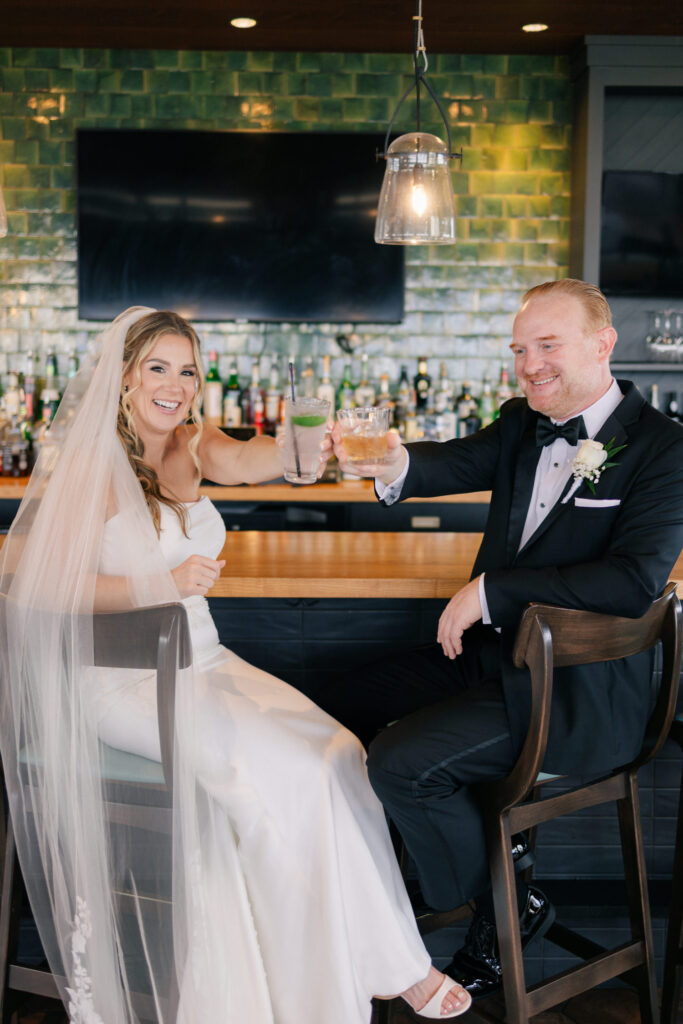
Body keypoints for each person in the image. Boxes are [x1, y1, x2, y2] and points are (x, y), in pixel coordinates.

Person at [0, 308, 471, 1024]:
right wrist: (155, 585)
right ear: (124, 377)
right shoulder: (90, 470)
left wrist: (303, 446)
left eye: (187, 370)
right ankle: (395, 971)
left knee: (340, 752)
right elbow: (28, 580)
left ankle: (352, 964)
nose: (176, 385)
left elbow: (259, 460)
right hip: (125, 685)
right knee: (281, 775)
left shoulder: (194, 444)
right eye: (157, 368)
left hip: (209, 664)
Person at [322, 278, 683, 998]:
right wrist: (390, 463)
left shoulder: (664, 448)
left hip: (575, 691)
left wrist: (493, 590)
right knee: (326, 705)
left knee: (400, 765)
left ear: (601, 343)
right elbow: (452, 462)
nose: (528, 365)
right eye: (520, 350)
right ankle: (435, 892)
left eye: (547, 346)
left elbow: (632, 580)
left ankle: (484, 905)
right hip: (490, 662)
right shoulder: (522, 420)